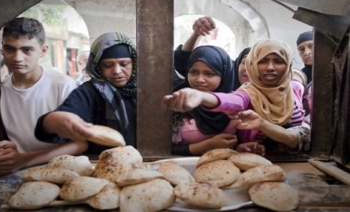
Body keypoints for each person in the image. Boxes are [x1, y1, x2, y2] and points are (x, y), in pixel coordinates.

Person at [163, 39, 306, 155]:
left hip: (297, 165)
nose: (270, 67)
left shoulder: (296, 90)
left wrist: (240, 146)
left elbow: (299, 137)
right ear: (253, 64)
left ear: (288, 65)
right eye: (262, 61)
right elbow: (232, 101)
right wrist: (201, 97)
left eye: (278, 61)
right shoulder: (247, 93)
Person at [0, 17, 83, 173]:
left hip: (62, 171)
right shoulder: (0, 89)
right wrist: (9, 148)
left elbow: (79, 144)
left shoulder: (64, 86)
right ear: (2, 50)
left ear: (43, 51)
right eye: (10, 49)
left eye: (27, 50)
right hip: (17, 173)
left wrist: (24, 159)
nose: (17, 58)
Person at [34, 32, 137, 154]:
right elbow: (51, 126)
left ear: (134, 63)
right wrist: (52, 121)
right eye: (108, 65)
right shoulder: (89, 92)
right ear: (97, 66)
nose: (117, 71)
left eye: (124, 64)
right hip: (100, 166)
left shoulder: (147, 91)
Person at [172, 45, 238, 155]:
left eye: (209, 74)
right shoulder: (178, 102)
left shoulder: (235, 103)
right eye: (194, 72)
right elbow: (160, 148)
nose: (200, 79)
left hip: (227, 168)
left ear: (224, 75)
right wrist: (208, 145)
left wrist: (240, 147)